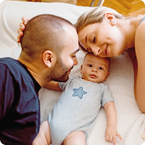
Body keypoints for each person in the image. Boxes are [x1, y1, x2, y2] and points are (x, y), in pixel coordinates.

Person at [0, 14, 79, 145]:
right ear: (48, 59)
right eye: (73, 56)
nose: (75, 62)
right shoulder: (8, 73)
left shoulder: (29, 92)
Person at [32, 52, 122, 145]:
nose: (94, 70)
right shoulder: (72, 81)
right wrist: (39, 79)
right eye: (90, 65)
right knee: (38, 137)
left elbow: (109, 106)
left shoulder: (102, 89)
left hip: (75, 131)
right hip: (51, 125)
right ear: (82, 69)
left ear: (107, 75)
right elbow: (54, 85)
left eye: (100, 68)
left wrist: (111, 126)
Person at [74, 6, 145, 113]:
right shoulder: (133, 50)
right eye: (91, 51)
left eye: (93, 39)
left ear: (110, 18)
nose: (96, 52)